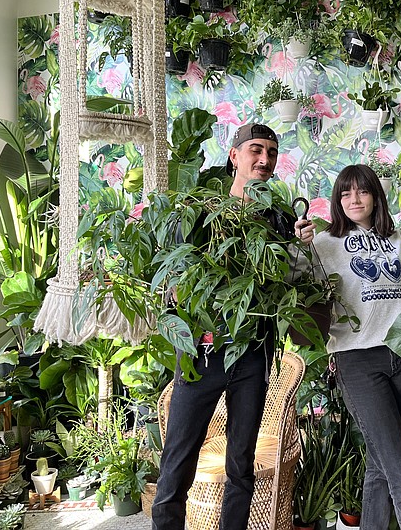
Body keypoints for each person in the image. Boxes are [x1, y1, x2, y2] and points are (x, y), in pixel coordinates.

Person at [152, 123, 312, 530]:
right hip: (203, 351)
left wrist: (300, 247)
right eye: (255, 150)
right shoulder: (202, 212)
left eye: (272, 153)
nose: (264, 159)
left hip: (253, 353)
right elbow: (170, 271)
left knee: (241, 464)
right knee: (177, 464)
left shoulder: (279, 219)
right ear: (234, 155)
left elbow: (294, 280)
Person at [294, 164, 401, 530]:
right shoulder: (324, 244)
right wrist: (298, 245)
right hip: (358, 360)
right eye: (345, 193)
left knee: (380, 467)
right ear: (338, 200)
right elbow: (292, 277)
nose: (354, 199)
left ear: (375, 196)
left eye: (363, 191)